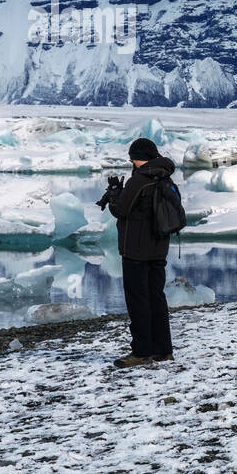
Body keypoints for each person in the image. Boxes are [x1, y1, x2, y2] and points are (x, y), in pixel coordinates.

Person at [104, 137, 176, 368]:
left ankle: (142, 351)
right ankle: (163, 350)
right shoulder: (164, 176)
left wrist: (115, 193)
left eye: (132, 157)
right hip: (158, 249)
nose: (131, 161)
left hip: (136, 250)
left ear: (138, 158)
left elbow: (120, 210)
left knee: (138, 301)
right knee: (156, 298)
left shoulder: (140, 179)